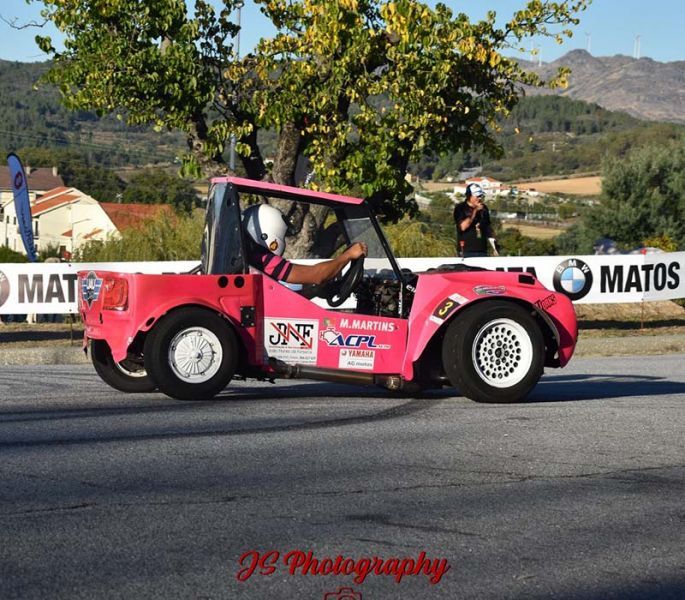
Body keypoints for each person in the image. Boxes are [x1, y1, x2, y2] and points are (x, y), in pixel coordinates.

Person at [242, 204, 367, 285]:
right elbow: (317, 276)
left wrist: (314, 291)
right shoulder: (265, 262)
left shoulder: (253, 260)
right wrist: (348, 255)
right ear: (266, 234)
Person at [453, 183, 499, 258]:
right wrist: (475, 211)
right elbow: (463, 227)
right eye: (477, 196)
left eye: (481, 196)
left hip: (482, 250)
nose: (480, 198)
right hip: (466, 251)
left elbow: (488, 228)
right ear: (469, 196)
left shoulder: (484, 208)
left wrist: (495, 246)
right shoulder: (460, 208)